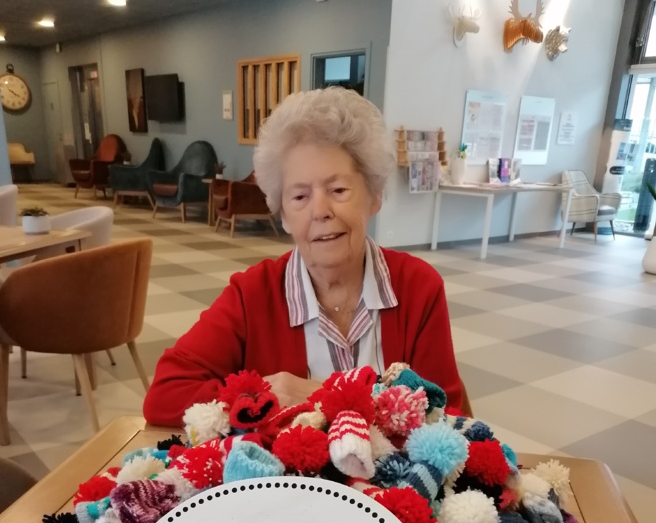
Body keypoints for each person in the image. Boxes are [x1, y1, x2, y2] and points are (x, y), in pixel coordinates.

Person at [143, 87, 465, 427]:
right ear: (282, 214)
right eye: (299, 196)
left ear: (374, 195)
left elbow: (449, 419)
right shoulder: (252, 294)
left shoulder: (418, 287)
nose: (320, 211)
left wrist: (321, 398)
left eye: (338, 190)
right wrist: (261, 398)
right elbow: (165, 394)